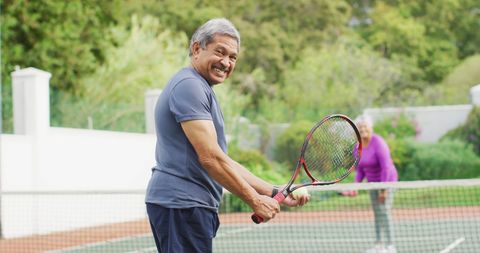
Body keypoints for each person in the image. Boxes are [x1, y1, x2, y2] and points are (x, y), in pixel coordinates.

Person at [145, 18, 309, 253]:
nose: (225, 62)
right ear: (196, 48)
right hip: (182, 205)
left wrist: (272, 191)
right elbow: (210, 158)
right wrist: (255, 200)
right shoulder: (189, 86)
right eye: (220, 52)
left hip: (188, 206)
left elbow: (222, 159)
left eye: (233, 57)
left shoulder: (199, 87)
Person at [354, 114, 398, 253]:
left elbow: (386, 167)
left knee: (384, 212)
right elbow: (360, 170)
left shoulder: (378, 143)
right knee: (377, 213)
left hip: (387, 181)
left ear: (370, 127)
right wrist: (355, 186)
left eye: (365, 126)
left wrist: (383, 190)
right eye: (360, 127)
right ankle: (378, 245)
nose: (362, 129)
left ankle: (390, 246)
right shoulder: (357, 147)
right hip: (371, 183)